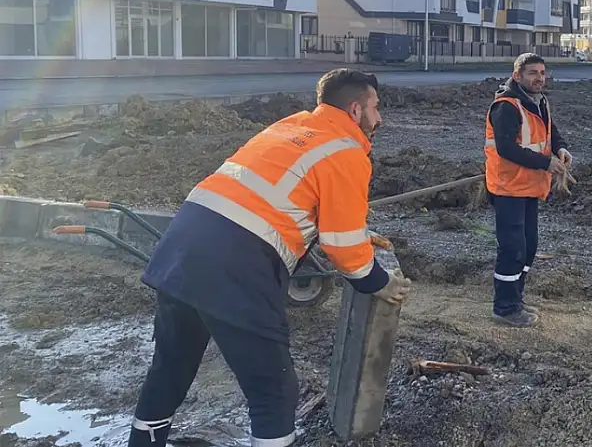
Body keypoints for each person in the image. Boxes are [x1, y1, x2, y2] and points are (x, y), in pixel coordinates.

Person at [127, 68, 412, 447]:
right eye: (376, 108)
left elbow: (284, 200)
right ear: (355, 110)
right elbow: (342, 247)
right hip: (236, 263)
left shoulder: (292, 127)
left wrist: (356, 233)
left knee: (171, 367)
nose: (381, 118)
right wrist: (380, 282)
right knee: (273, 389)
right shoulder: (346, 151)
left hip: (182, 245)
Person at [484, 53, 571, 327]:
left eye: (542, 73)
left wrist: (560, 149)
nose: (539, 78)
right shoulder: (507, 107)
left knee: (528, 246)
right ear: (517, 75)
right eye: (533, 73)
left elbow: (549, 131)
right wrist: (546, 163)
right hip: (508, 187)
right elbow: (506, 148)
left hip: (530, 187)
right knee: (513, 248)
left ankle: (515, 298)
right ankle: (505, 307)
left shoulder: (539, 102)